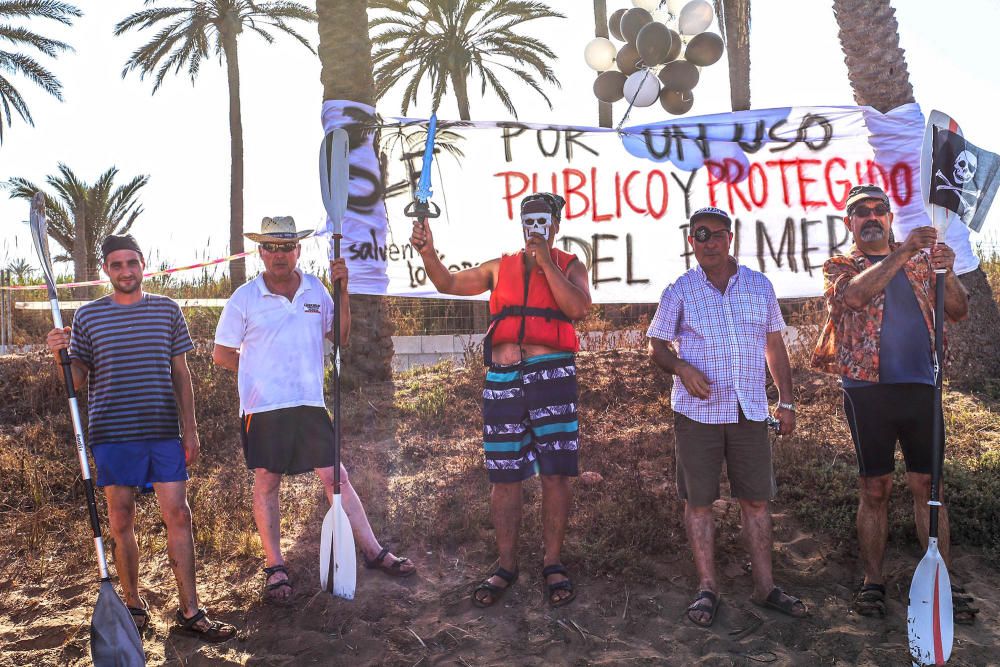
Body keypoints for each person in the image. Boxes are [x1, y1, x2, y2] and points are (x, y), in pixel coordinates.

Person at [213, 216, 415, 603]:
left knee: (335, 476)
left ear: (298, 250)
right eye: (271, 248)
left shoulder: (314, 289)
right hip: (265, 407)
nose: (278, 255)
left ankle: (372, 552)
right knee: (267, 481)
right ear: (260, 252)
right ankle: (275, 566)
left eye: (286, 247)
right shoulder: (245, 298)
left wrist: (343, 291)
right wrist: (260, 368)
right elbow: (222, 354)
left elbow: (339, 337)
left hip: (310, 404)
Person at [45, 234, 236, 642]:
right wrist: (59, 354)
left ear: (143, 264)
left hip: (163, 431)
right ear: (106, 271)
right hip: (112, 434)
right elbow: (75, 382)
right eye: (116, 265)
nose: (125, 271)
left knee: (179, 515)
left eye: (131, 263)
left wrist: (191, 426)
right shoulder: (88, 317)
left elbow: (181, 373)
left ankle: (190, 610)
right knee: (121, 519)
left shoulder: (166, 310)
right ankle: (132, 604)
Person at [409, 193, 591, 607]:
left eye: (543, 220)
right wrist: (428, 252)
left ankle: (553, 562)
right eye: (529, 220)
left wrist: (545, 261)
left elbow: (578, 308)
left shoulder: (571, 265)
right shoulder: (500, 265)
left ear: (557, 225)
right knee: (504, 476)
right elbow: (448, 283)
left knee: (555, 474)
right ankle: (506, 564)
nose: (535, 227)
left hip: (553, 376)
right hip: (503, 379)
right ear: (521, 223)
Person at [811, 184, 977, 623]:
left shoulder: (923, 263)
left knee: (929, 488)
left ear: (888, 216)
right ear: (849, 223)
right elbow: (853, 297)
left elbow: (958, 310)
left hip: (922, 386)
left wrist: (949, 270)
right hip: (867, 390)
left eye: (877, 209)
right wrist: (903, 254)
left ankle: (941, 578)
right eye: (860, 212)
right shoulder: (841, 265)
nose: (870, 217)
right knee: (874, 488)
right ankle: (873, 582)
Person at [647, 206, 806, 628]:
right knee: (699, 502)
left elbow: (775, 346)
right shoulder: (679, 289)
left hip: (749, 409)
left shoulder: (758, 286)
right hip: (696, 414)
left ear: (730, 239)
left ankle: (765, 587)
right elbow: (658, 347)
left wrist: (785, 401)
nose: (710, 242)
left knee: (756, 500)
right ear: (691, 241)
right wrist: (682, 367)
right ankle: (707, 588)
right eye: (701, 234)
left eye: (717, 234)